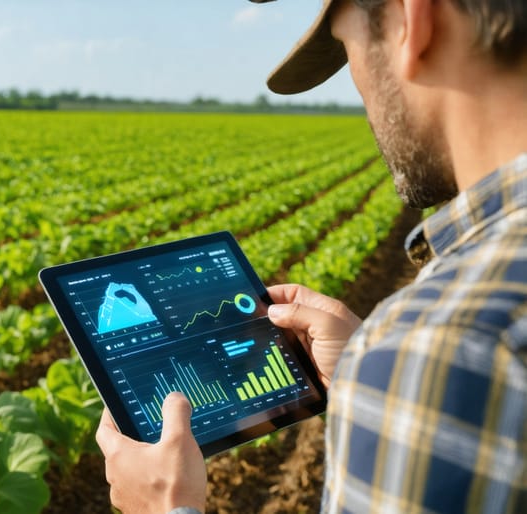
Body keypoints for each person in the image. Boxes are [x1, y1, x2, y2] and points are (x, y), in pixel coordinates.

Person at [94, 0, 527, 512]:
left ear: (414, 21)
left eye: (350, 48)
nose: (361, 91)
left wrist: (167, 508)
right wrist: (375, 393)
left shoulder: (447, 345)